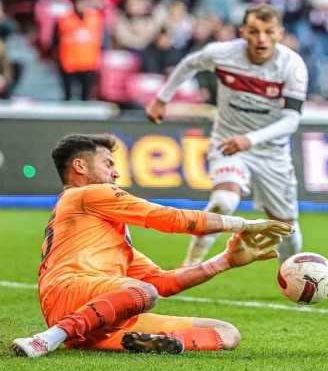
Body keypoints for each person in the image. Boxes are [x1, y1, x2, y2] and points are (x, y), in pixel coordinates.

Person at [11, 134, 293, 358]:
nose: (116, 173)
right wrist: (241, 223)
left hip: (99, 315)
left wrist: (226, 261)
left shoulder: (107, 236)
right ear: (80, 167)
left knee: (226, 333)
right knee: (142, 292)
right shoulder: (85, 194)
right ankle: (48, 338)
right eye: (108, 163)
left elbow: (163, 282)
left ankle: (155, 343)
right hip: (70, 293)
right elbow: (166, 218)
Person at [146, 4, 308, 268]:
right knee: (223, 202)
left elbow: (291, 120)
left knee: (286, 228)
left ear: (280, 33)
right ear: (243, 32)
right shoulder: (222, 53)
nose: (261, 39)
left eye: (268, 32)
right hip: (228, 143)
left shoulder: (293, 66)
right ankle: (189, 265)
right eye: (254, 31)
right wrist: (162, 99)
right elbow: (189, 64)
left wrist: (250, 139)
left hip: (271, 152)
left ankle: (290, 276)